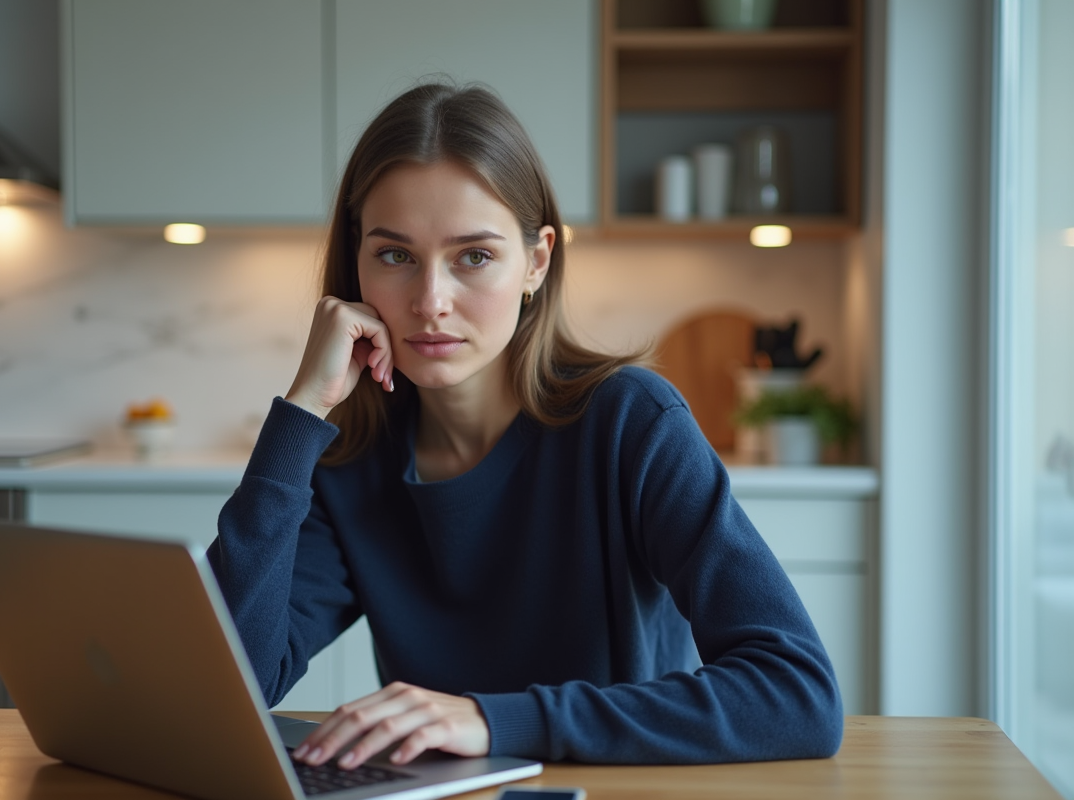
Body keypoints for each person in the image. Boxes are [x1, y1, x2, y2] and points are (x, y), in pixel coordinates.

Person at [207, 82, 843, 770]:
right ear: (355, 265)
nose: (430, 302)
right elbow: (229, 686)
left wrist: (493, 719)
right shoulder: (350, 460)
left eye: (474, 257)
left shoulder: (632, 423)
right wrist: (303, 411)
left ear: (536, 261)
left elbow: (798, 695)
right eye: (395, 255)